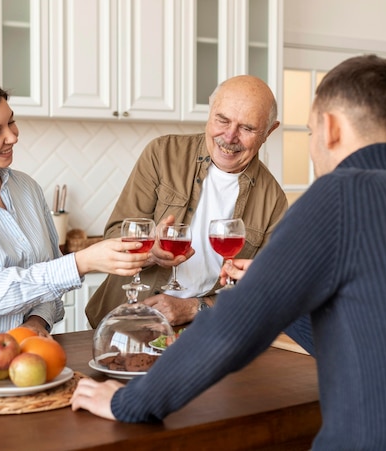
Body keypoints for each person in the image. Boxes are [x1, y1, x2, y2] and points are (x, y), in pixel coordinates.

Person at [71, 55, 386, 449]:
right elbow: (354, 332)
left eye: (309, 133)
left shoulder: (339, 196)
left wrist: (128, 403)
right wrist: (276, 290)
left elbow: (234, 328)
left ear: (329, 127)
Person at [0, 74, 149, 351]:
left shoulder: (26, 189)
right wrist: (80, 263)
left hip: (19, 355)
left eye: (11, 121)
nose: (13, 136)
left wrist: (37, 322)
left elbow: (47, 281)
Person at [85, 75, 288, 328]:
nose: (230, 136)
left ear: (269, 131)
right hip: (126, 324)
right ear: (210, 111)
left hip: (206, 330)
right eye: (222, 120)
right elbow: (114, 238)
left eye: (247, 128)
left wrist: (196, 308)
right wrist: (150, 253)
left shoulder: (274, 202)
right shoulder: (162, 154)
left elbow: (268, 289)